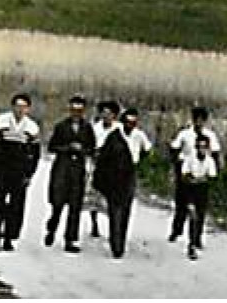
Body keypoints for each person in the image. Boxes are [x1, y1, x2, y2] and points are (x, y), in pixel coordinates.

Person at [91, 106, 150, 259]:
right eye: (128, 121)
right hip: (114, 176)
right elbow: (103, 158)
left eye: (133, 122)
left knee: (126, 210)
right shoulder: (113, 137)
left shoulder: (139, 136)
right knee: (114, 210)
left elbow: (147, 150)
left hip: (130, 176)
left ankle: (121, 240)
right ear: (123, 122)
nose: (130, 125)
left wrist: (139, 165)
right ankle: (116, 245)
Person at [0, 93, 41, 252]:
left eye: (23, 106)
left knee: (16, 206)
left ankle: (9, 238)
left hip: (19, 171)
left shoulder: (32, 127)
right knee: (0, 203)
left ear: (28, 109)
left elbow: (35, 155)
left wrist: (29, 174)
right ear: (12, 107)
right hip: (3, 169)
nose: (20, 109)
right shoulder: (1, 121)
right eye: (17, 106)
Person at [43, 95, 98, 252]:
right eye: (73, 110)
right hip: (62, 169)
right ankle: (52, 228)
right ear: (69, 110)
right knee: (58, 204)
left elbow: (92, 149)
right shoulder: (61, 126)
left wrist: (82, 150)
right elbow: (52, 147)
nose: (76, 114)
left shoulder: (87, 128)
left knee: (75, 207)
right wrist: (68, 148)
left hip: (78, 171)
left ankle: (70, 240)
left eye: (79, 111)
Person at [169, 105, 223, 244]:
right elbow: (174, 149)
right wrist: (177, 167)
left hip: (202, 170)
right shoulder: (185, 134)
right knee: (181, 205)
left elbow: (216, 153)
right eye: (196, 119)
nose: (198, 122)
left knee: (200, 209)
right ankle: (177, 230)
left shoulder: (210, 136)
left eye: (201, 120)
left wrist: (215, 172)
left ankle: (196, 238)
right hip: (185, 170)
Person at [174, 134, 218, 259]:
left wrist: (201, 180)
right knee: (193, 216)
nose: (201, 150)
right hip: (190, 190)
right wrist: (192, 180)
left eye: (204, 147)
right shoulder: (189, 159)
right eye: (199, 147)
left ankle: (197, 238)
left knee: (201, 217)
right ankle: (191, 245)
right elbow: (184, 175)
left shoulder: (209, 161)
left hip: (203, 191)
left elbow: (212, 177)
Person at [87, 100, 120, 240]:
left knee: (112, 198)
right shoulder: (95, 128)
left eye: (110, 113)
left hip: (114, 167)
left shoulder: (120, 129)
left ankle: (114, 228)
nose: (106, 116)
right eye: (104, 113)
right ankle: (94, 224)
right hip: (97, 164)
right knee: (94, 196)